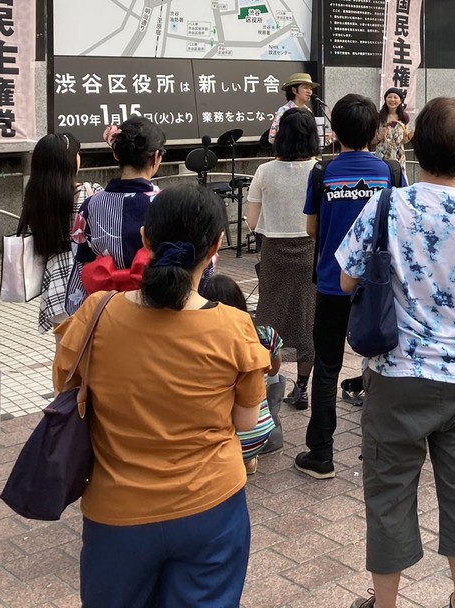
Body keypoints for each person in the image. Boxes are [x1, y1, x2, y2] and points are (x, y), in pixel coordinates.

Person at [336, 97, 455, 608]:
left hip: (394, 373)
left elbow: (346, 278)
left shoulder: (385, 206)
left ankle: (385, 603)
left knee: (388, 492)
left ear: (415, 144)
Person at [53, 185, 270, 608]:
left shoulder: (97, 313)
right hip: (212, 505)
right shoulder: (235, 326)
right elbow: (246, 422)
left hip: (117, 510)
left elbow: (67, 387)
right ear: (216, 247)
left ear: (145, 239)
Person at [293, 94, 397, 477]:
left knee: (327, 367)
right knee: (385, 365)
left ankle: (321, 454)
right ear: (374, 131)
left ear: (334, 132)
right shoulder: (390, 171)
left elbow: (311, 228)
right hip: (378, 288)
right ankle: (384, 452)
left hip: (332, 285)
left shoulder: (323, 172)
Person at [246, 106, 318, 414]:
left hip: (274, 252)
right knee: (307, 318)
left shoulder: (264, 171)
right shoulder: (319, 170)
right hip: (310, 251)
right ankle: (302, 387)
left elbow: (252, 222)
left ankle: (267, 386)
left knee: (269, 316)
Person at [66, 116, 165, 314]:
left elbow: (82, 261)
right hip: (156, 306)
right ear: (156, 157)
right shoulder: (167, 204)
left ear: (116, 155)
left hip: (105, 308)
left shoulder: (91, 205)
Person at [16, 132, 103, 332]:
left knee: (63, 346)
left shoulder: (35, 198)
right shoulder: (91, 192)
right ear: (68, 160)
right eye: (77, 153)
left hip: (54, 279)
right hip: (89, 277)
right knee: (92, 343)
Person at [200, 272, 283, 474]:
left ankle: (238, 459)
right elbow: (274, 370)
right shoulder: (265, 334)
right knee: (276, 379)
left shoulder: (202, 341)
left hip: (220, 437)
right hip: (259, 433)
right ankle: (249, 459)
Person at [270, 72, 318, 145]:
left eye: (310, 89)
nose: (310, 92)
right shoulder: (284, 110)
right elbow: (272, 138)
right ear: (294, 90)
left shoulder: (308, 111)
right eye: (305, 88)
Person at [375, 87, 413, 169]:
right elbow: (371, 141)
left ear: (400, 101)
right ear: (385, 99)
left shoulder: (404, 117)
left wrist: (411, 134)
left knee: (398, 175)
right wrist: (379, 137)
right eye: (389, 97)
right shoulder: (378, 116)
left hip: (398, 156)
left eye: (395, 97)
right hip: (381, 156)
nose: (392, 100)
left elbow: (404, 141)